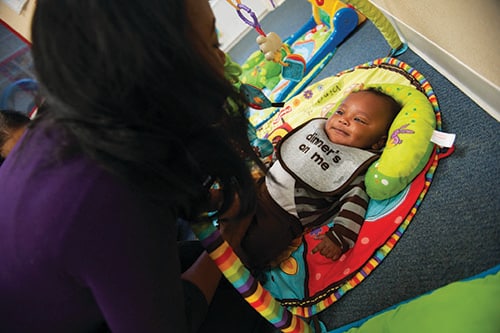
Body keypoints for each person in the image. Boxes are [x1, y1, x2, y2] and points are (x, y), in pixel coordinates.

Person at [0, 0, 275, 332]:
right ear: (156, 69)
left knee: (191, 256)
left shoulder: (74, 122)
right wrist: (230, 235)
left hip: (56, 290)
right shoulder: (107, 192)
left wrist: (211, 201)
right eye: (213, 44)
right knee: (240, 300)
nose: (222, 61)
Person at [221, 88, 401, 272]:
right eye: (340, 111)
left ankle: (236, 267)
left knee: (258, 244)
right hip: (261, 187)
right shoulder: (316, 132)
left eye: (359, 120)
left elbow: (355, 202)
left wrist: (339, 236)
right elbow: (285, 156)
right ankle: (220, 217)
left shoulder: (354, 167)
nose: (343, 119)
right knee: (234, 196)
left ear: (378, 142)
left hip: (282, 217)